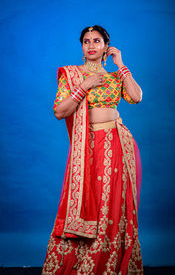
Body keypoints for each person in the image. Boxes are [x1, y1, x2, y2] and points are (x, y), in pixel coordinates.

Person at [42, 25, 144, 274]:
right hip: (86, 147)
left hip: (118, 144)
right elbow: (59, 111)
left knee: (113, 205)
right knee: (91, 203)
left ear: (106, 46)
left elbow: (136, 96)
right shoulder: (72, 74)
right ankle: (83, 264)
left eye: (96, 41)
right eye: (86, 41)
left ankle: (109, 264)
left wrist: (121, 64)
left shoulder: (115, 77)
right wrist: (84, 85)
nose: (91, 45)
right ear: (82, 47)